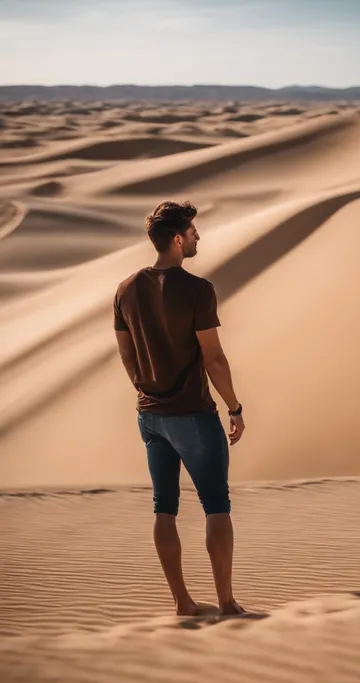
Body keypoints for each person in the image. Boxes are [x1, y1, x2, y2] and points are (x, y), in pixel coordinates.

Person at [113, 200, 245, 616]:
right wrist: (235, 407)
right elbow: (214, 358)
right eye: (192, 232)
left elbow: (127, 354)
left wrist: (147, 390)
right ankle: (226, 602)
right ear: (176, 239)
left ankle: (183, 603)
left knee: (164, 506)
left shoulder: (126, 289)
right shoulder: (197, 290)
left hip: (150, 416)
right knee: (216, 504)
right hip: (192, 414)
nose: (197, 237)